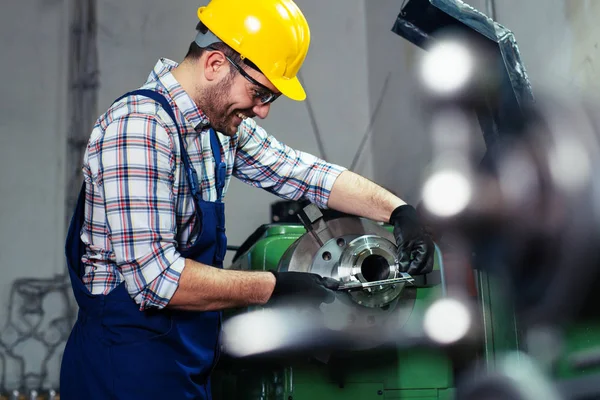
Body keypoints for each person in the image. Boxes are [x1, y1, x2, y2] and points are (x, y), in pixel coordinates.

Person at [59, 0, 434, 398]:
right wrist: (277, 286)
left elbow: (302, 173)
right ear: (216, 64)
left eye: (269, 98)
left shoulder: (215, 129)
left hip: (183, 360)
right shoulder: (139, 128)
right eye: (259, 93)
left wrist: (400, 212)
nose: (262, 111)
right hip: (122, 367)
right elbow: (158, 282)